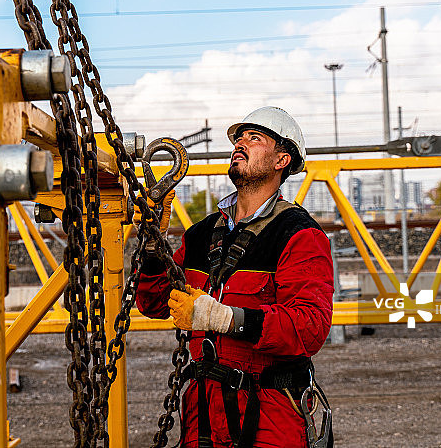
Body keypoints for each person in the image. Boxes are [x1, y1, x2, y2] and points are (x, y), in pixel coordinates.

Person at [136, 106, 334, 448]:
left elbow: (310, 327)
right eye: (239, 138)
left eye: (254, 138)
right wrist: (153, 246)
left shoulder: (299, 235)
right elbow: (153, 302)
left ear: (282, 160)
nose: (240, 144)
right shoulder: (200, 236)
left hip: (269, 412)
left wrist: (227, 319)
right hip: (203, 411)